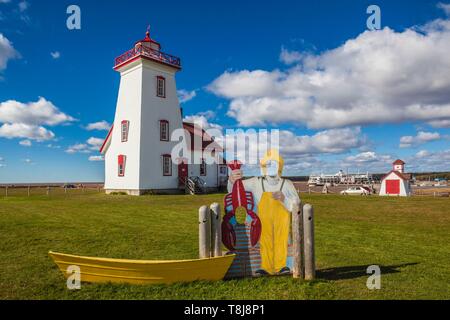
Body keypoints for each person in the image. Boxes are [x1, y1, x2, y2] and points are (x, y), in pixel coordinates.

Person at [228, 149, 301, 276]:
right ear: (263, 167)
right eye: (268, 164)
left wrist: (284, 199)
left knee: (281, 240)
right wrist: (232, 179)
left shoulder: (287, 184)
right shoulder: (256, 182)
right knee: (265, 240)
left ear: (280, 166)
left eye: (274, 164)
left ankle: (281, 266)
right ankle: (266, 267)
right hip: (263, 219)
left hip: (282, 220)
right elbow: (234, 189)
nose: (271, 167)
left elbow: (297, 206)